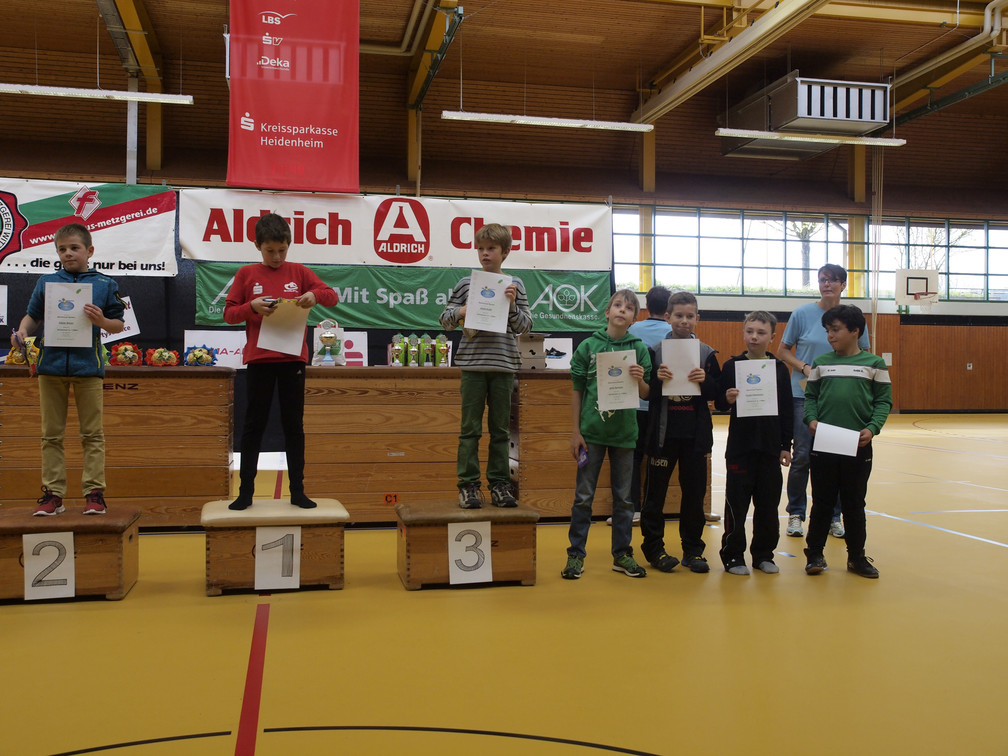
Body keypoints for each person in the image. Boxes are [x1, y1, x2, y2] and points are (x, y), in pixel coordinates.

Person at [224, 213, 338, 510]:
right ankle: (245, 492)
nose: (276, 257)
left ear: (289, 244)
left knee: (293, 426)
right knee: (254, 425)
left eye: (282, 250)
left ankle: (297, 491)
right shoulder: (246, 274)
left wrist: (313, 295)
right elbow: (229, 314)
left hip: (292, 360)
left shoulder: (298, 271)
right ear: (257, 246)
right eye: (270, 250)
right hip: (260, 359)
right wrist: (251, 307)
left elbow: (331, 296)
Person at [11, 223, 125, 516]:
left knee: (92, 434)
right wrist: (22, 331)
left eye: (74, 248)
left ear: (89, 250)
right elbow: (32, 316)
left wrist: (101, 321)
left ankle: (94, 493)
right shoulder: (47, 282)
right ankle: (53, 495)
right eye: (62, 249)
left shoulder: (105, 284)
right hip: (50, 367)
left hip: (88, 368)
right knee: (51, 435)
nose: (68, 254)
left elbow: (117, 325)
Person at [439, 222, 533, 509]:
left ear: (506, 252)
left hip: (504, 365)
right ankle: (468, 486)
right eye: (480, 248)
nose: (484, 253)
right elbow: (444, 320)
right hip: (472, 365)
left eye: (491, 248)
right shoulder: (466, 284)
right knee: (469, 429)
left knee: (501, 431)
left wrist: (513, 306)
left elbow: (525, 326)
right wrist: (461, 311)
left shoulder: (515, 285)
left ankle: (500, 485)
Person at [562, 289, 652, 579]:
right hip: (591, 435)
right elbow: (577, 390)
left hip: (625, 435)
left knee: (624, 499)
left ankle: (622, 554)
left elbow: (647, 394)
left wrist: (640, 380)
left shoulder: (639, 349)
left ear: (634, 318)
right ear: (607, 312)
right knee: (583, 497)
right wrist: (575, 432)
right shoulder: (589, 346)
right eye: (617, 305)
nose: (622, 310)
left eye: (629, 308)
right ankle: (575, 555)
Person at [779, 264, 870, 539]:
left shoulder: (852, 317)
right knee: (802, 456)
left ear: (843, 285)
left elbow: (863, 354)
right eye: (822, 280)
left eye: (832, 280)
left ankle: (834, 516)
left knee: (838, 457)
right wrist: (805, 368)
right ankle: (796, 513)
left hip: (837, 398)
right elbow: (783, 350)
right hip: (803, 395)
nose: (826, 284)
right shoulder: (801, 314)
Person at [803, 304, 892, 578]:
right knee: (822, 502)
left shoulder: (874, 364)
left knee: (854, 504)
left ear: (855, 331)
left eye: (836, 330)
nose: (830, 335)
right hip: (825, 442)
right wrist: (811, 419)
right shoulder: (821, 363)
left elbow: (883, 401)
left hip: (857, 444)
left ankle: (856, 557)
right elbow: (811, 397)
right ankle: (814, 554)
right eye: (828, 330)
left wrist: (872, 428)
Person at [640, 290, 723, 573]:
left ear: (697, 318)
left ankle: (693, 550)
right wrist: (658, 379)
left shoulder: (706, 353)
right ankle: (654, 549)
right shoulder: (655, 352)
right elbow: (647, 393)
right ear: (667, 317)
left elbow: (717, 394)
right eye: (678, 315)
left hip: (695, 438)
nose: (684, 321)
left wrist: (705, 380)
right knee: (655, 496)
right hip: (662, 436)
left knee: (694, 497)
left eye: (689, 316)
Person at [716, 311, 793, 575]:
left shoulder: (779, 369)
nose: (754, 337)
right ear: (743, 333)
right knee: (736, 505)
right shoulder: (732, 366)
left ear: (772, 337)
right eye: (750, 331)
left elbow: (786, 409)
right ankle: (733, 555)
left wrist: (785, 445)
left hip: (770, 449)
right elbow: (719, 403)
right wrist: (727, 398)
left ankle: (763, 555)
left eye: (761, 332)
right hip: (740, 449)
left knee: (768, 506)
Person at [606, 285, 670, 527]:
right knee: (653, 459)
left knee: (632, 459)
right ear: (668, 309)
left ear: (646, 306)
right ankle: (650, 508)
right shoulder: (673, 333)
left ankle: (631, 507)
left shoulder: (633, 330)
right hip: (657, 406)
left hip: (631, 404)